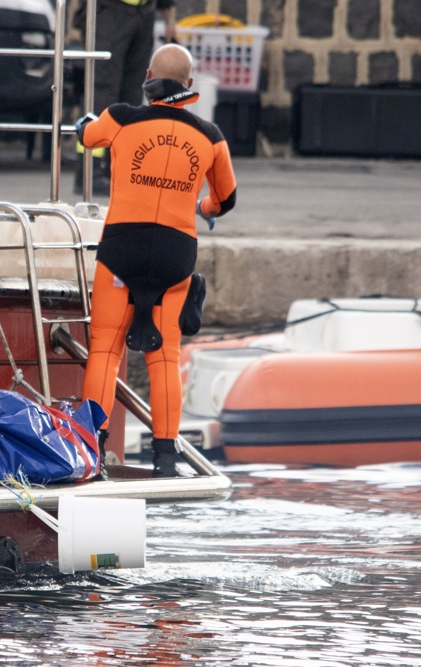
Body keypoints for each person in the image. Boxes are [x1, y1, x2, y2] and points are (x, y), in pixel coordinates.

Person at [77, 43, 236, 477]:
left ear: (147, 76)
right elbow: (227, 198)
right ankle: (166, 457)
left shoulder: (122, 117)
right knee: (165, 356)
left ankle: (93, 449)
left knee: (105, 350)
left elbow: (86, 136)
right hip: (174, 254)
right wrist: (202, 209)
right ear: (190, 85)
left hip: (121, 247)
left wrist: (84, 124)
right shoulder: (210, 136)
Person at [71, 0, 177, 195]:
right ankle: (88, 172)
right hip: (109, 11)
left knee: (132, 97)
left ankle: (121, 170)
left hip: (144, 12)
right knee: (100, 94)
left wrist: (169, 18)